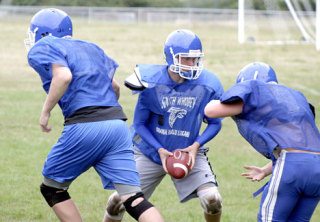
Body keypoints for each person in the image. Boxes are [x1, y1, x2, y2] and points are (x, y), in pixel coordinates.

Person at [25, 8, 164, 222]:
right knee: (134, 198)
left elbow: (63, 76)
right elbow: (114, 87)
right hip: (117, 125)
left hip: (85, 123)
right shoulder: (90, 47)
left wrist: (45, 112)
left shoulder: (45, 45)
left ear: (41, 33)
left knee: (53, 188)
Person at [105, 29, 224, 222]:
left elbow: (215, 123)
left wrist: (196, 146)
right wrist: (159, 149)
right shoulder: (151, 82)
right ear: (171, 57)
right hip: (149, 152)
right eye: (186, 59)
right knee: (117, 201)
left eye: (195, 59)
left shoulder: (208, 84)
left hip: (187, 151)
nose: (192, 64)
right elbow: (140, 124)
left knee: (213, 199)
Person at [204, 62, 320, 221]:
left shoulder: (257, 92)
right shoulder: (294, 97)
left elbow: (211, 111)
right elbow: (300, 148)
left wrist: (212, 97)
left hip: (291, 166)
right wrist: (266, 170)